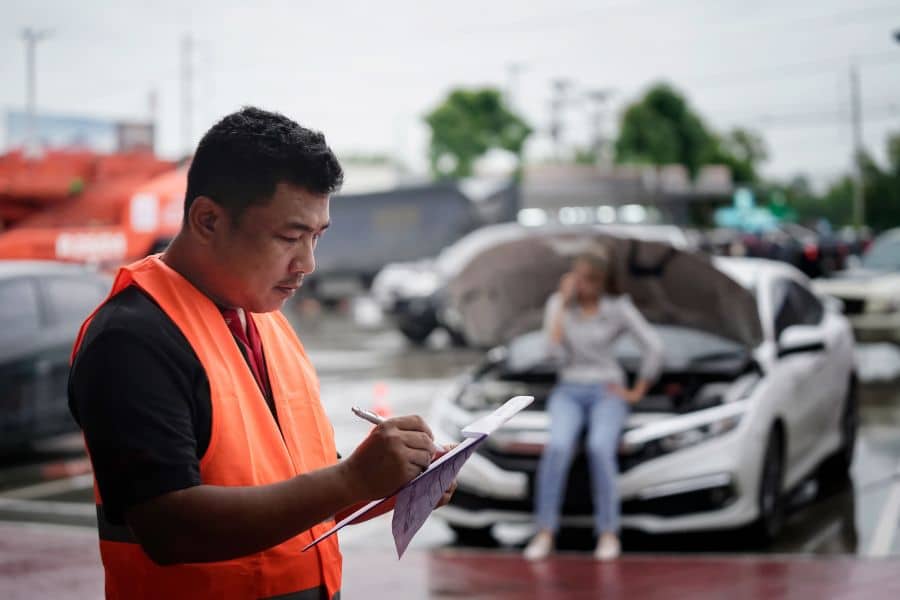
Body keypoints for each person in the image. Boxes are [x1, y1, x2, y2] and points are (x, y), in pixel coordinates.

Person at [68, 107, 455, 600]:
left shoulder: (264, 320)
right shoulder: (132, 337)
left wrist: (397, 483)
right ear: (207, 219)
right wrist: (350, 479)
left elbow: (304, 490)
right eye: (289, 237)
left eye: (316, 238)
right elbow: (168, 527)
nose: (307, 264)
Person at [523, 249, 663, 561]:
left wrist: (637, 390)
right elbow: (551, 351)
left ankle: (608, 532)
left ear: (601, 281)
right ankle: (545, 532)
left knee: (601, 449)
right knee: (557, 447)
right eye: (577, 277)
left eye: (588, 279)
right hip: (569, 387)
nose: (582, 285)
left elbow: (653, 347)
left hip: (607, 388)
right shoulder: (559, 306)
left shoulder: (618, 308)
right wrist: (561, 301)